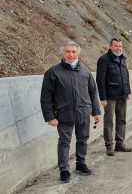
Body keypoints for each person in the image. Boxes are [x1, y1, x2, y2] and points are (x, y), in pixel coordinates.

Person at [40, 41, 101, 183]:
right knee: (64, 142)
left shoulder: (85, 72)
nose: (71, 54)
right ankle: (64, 170)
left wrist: (96, 112)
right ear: (63, 53)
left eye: (74, 52)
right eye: (68, 51)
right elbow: (46, 96)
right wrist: (49, 116)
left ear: (78, 53)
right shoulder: (53, 72)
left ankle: (80, 164)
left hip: (83, 113)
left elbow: (93, 93)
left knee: (83, 139)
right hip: (64, 114)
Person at [96, 38, 132, 156]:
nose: (118, 48)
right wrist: (103, 98)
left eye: (120, 46)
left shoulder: (123, 59)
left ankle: (120, 144)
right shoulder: (103, 60)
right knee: (109, 121)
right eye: (116, 46)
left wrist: (128, 91)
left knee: (122, 120)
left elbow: (125, 76)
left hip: (122, 95)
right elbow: (100, 80)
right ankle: (109, 145)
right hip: (110, 96)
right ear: (111, 47)